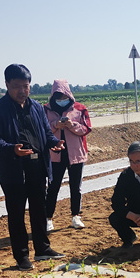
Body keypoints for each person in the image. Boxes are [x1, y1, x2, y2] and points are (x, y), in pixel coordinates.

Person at [0, 64, 65, 271]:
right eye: (16, 86)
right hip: (13, 170)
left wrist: (54, 143)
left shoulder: (37, 107)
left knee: (39, 209)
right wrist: (12, 149)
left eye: (26, 86)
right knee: (17, 214)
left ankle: (42, 249)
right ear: (6, 85)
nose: (22, 91)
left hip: (38, 166)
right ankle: (22, 257)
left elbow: (46, 133)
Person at [43, 79, 92, 231]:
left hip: (75, 154)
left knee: (76, 187)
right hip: (55, 155)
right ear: (53, 96)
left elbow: (87, 129)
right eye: (58, 97)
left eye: (64, 97)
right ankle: (48, 218)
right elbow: (42, 130)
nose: (62, 100)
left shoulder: (79, 109)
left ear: (69, 95)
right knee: (52, 187)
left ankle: (75, 216)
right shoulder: (46, 110)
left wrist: (72, 125)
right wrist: (55, 125)